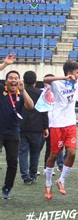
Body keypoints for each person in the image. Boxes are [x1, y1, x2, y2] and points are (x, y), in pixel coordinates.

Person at [43, 42, 78, 200]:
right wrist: (64, 77)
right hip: (56, 124)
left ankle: (61, 180)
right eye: (76, 72)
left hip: (70, 123)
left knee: (72, 152)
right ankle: (47, 184)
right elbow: (45, 79)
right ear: (69, 72)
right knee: (53, 154)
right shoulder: (57, 83)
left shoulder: (77, 82)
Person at [0, 53, 35, 199]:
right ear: (6, 81)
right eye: (11, 78)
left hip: (14, 133)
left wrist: (24, 89)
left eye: (16, 78)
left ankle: (7, 188)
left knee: (13, 162)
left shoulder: (21, 94)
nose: (13, 80)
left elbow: (30, 106)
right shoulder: (1, 90)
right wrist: (5, 64)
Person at [19, 71, 49, 184]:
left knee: (22, 152)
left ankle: (25, 176)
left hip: (22, 126)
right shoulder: (41, 93)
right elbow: (44, 112)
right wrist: (46, 127)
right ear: (35, 82)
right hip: (37, 127)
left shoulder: (20, 92)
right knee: (35, 152)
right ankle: (33, 175)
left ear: (23, 80)